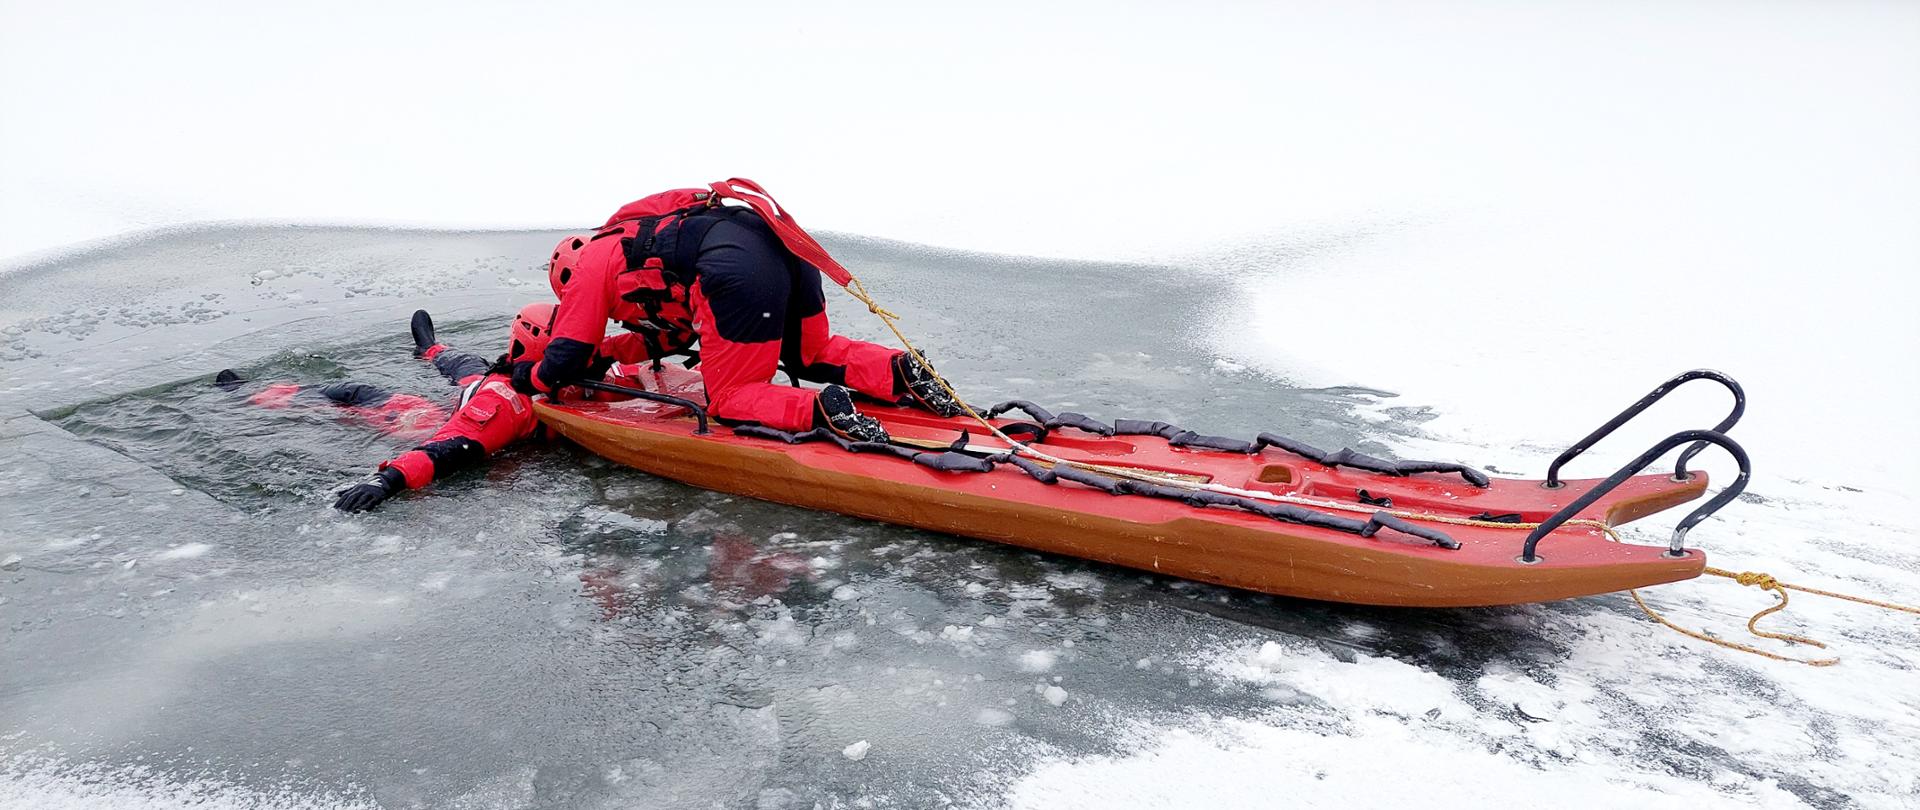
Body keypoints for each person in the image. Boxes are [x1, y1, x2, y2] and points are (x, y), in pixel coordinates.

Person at [511, 180, 963, 444]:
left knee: (729, 395)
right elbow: (674, 336)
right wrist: (610, 353)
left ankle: (823, 409)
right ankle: (899, 371)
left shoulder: (591, 263)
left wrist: (529, 378)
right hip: (783, 248)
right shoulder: (645, 242)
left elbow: (568, 352)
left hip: (734, 268)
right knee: (809, 353)